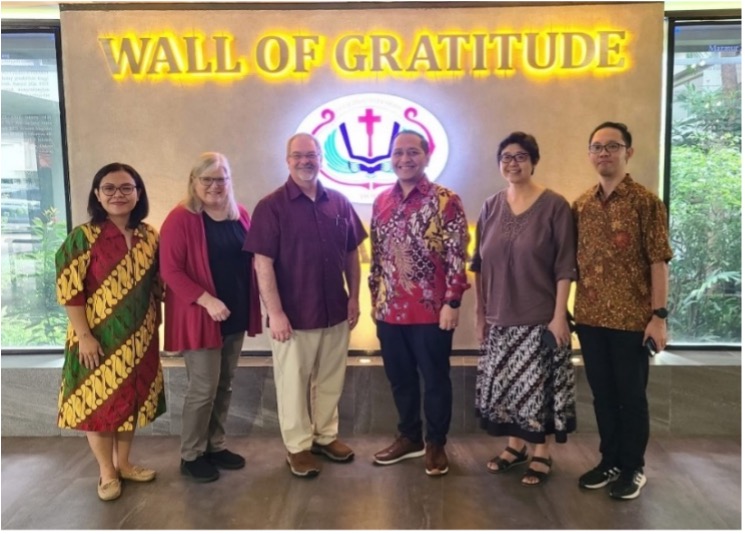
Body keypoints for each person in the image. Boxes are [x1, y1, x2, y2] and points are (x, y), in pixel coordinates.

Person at [243, 133, 367, 478]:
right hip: (293, 317)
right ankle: (298, 447)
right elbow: (262, 263)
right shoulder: (271, 206)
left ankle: (325, 436)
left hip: (335, 312)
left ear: (321, 159)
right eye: (297, 156)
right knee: (293, 383)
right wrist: (276, 313)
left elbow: (352, 254)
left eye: (311, 155)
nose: (305, 161)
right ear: (287, 160)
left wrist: (354, 297)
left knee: (330, 379)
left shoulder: (339, 202)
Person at [470, 132, 577, 486]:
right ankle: (514, 447)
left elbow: (565, 266)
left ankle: (541, 453)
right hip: (499, 319)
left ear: (533, 161)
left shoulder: (554, 206)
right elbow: (479, 265)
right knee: (507, 389)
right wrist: (480, 314)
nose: (512, 163)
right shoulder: (490, 206)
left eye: (520, 156)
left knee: (536, 391)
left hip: (539, 318)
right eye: (506, 157)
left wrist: (559, 316)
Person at [573, 122, 672, 500]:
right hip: (591, 318)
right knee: (601, 395)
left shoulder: (645, 202)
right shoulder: (581, 205)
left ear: (628, 152)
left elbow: (658, 262)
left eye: (612, 146)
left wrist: (658, 317)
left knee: (631, 397)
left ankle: (633, 467)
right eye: (596, 147)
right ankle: (609, 460)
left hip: (632, 320)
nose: (603, 153)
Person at [56, 162, 166, 502]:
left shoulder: (150, 235)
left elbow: (156, 285)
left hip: (140, 337)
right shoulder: (83, 238)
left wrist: (158, 320)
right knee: (99, 403)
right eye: (109, 189)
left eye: (126, 188)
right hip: (96, 338)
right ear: (97, 194)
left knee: (129, 399)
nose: (118, 195)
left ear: (138, 193)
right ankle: (107, 471)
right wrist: (84, 336)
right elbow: (69, 291)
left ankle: (125, 463)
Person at [369, 130, 470, 476]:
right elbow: (378, 255)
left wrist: (452, 302)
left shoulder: (446, 200)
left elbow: (458, 255)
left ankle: (436, 442)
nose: (404, 159)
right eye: (398, 153)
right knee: (400, 378)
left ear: (427, 156)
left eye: (412, 152)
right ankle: (409, 437)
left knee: (435, 378)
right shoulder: (381, 200)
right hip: (389, 309)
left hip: (431, 310)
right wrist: (374, 300)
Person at [160, 152, 262, 483]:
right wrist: (206, 300)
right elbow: (170, 271)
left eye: (221, 178)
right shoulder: (181, 218)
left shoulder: (240, 214)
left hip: (234, 315)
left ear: (230, 181)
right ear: (194, 182)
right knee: (203, 388)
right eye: (207, 179)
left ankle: (215, 445)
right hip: (201, 315)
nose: (214, 186)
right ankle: (191, 455)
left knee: (225, 384)